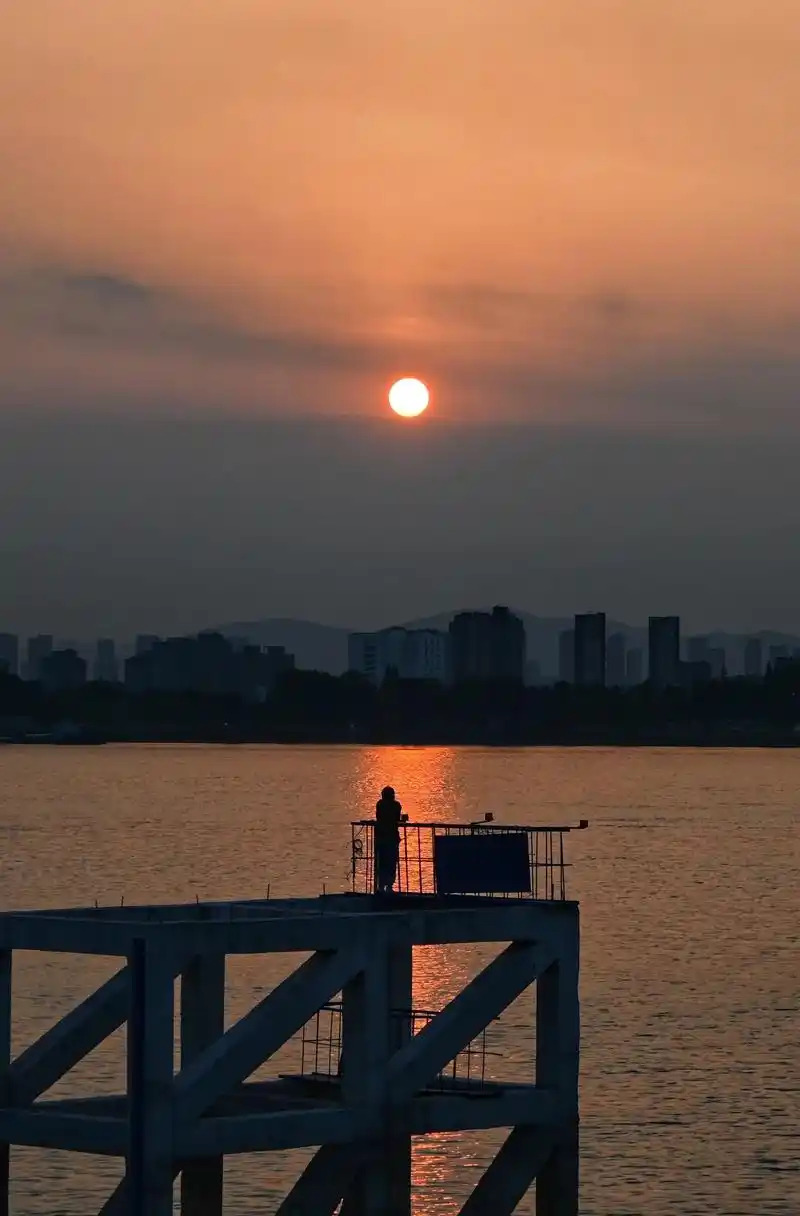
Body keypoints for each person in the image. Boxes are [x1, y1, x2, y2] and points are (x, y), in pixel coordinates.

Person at [374, 785, 403, 893]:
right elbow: (396, 819)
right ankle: (389, 886)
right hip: (391, 838)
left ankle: (380, 886)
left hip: (381, 838)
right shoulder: (396, 805)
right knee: (391, 862)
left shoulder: (380, 804)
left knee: (381, 862)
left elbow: (378, 817)